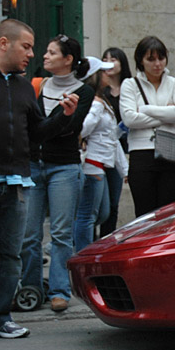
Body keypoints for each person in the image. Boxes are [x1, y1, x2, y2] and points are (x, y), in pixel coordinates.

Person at [0, 19, 79, 344]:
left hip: (17, 182)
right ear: (3, 43)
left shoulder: (23, 86)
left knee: (9, 254)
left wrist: (63, 116)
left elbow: (37, 133)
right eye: (26, 46)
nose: (31, 54)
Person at [19, 34, 96, 313]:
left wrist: (52, 125)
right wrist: (56, 122)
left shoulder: (84, 91)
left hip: (64, 165)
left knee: (62, 232)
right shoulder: (36, 85)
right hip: (34, 164)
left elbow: (70, 128)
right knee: (29, 233)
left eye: (52, 53)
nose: (44, 56)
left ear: (68, 60)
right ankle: (31, 288)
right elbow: (33, 127)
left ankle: (59, 290)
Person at [120, 36, 175, 217]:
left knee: (168, 215)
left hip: (171, 152)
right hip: (141, 153)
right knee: (145, 215)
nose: (157, 64)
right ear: (140, 61)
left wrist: (144, 109)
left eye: (161, 58)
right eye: (151, 59)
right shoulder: (130, 84)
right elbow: (129, 119)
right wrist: (167, 115)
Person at [74, 60, 126, 251]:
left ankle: (80, 245)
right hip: (92, 163)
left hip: (101, 164)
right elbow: (82, 128)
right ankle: (82, 253)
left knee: (101, 212)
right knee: (89, 215)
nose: (108, 74)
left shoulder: (101, 101)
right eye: (103, 72)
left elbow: (110, 137)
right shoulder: (95, 105)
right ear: (95, 76)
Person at [99, 47, 130, 236]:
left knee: (113, 202)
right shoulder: (99, 91)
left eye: (114, 59)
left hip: (123, 150)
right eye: (105, 59)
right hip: (101, 149)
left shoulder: (130, 88)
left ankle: (106, 239)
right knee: (98, 204)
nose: (109, 62)